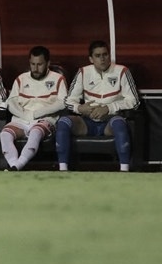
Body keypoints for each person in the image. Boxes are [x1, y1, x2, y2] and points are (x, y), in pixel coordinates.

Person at [56, 40, 140, 172]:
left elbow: (134, 101)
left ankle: (124, 170)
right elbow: (69, 100)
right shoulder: (83, 72)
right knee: (63, 122)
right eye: (98, 55)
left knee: (119, 123)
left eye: (105, 54)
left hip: (110, 121)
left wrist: (109, 108)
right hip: (86, 121)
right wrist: (80, 108)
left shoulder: (122, 71)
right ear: (91, 59)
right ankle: (63, 169)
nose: (102, 59)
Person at [0, 46, 68, 171]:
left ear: (48, 63)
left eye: (40, 64)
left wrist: (37, 113)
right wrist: (25, 115)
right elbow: (11, 102)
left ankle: (18, 165)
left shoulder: (58, 79)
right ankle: (13, 164)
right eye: (32, 64)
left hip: (45, 119)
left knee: (35, 132)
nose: (35, 68)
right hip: (21, 118)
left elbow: (62, 103)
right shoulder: (21, 79)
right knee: (4, 134)